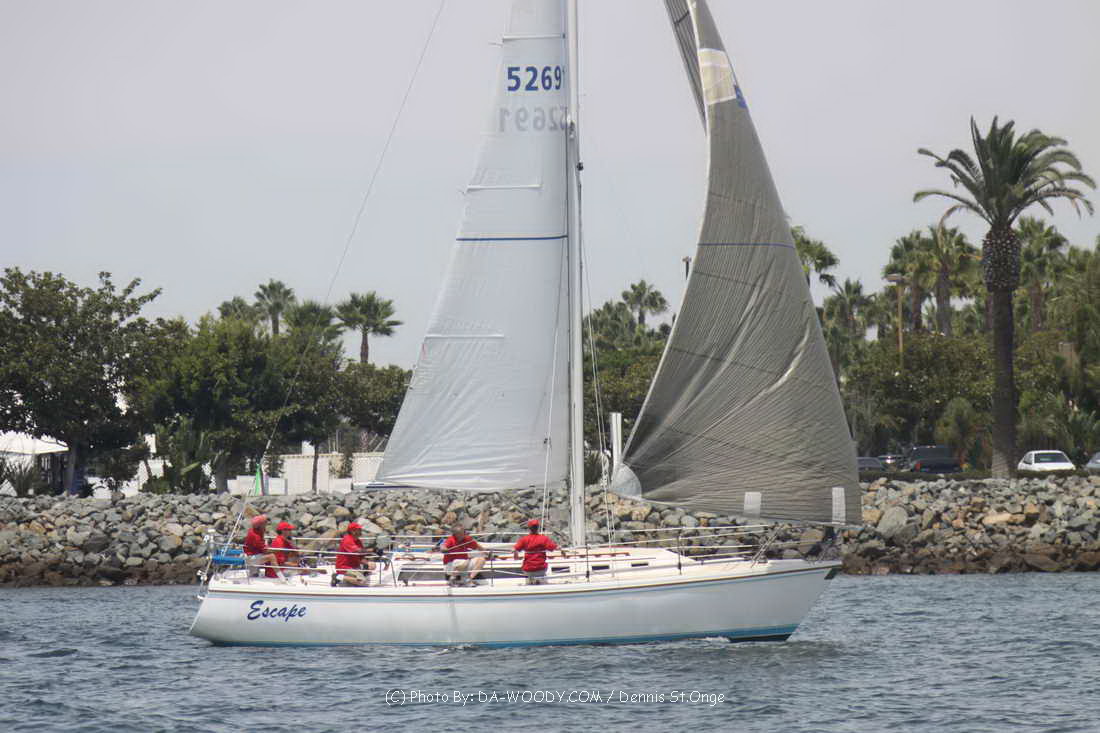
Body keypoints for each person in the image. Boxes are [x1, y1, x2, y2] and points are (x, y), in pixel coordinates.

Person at [513, 519, 558, 585]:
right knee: (542, 577)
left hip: (528, 569)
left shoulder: (524, 539)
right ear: (538, 528)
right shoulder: (544, 539)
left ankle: (529, 584)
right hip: (541, 568)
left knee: (529, 580)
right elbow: (553, 547)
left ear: (529, 528)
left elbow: (515, 549)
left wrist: (516, 557)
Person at [334, 521, 376, 586]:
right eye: (359, 529)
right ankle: (337, 577)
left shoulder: (358, 541)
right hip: (344, 567)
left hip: (355, 566)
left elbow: (361, 556)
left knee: (372, 565)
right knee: (362, 581)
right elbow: (357, 551)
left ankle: (360, 574)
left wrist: (367, 564)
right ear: (352, 531)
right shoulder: (347, 540)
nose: (361, 531)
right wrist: (373, 550)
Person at [243, 515, 282, 579]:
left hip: (253, 554)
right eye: (265, 523)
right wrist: (279, 550)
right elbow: (264, 550)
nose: (266, 524)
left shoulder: (256, 531)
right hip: (250, 558)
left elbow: (261, 546)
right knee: (271, 556)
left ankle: (268, 574)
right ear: (260, 525)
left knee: (254, 576)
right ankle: (281, 577)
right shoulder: (255, 536)